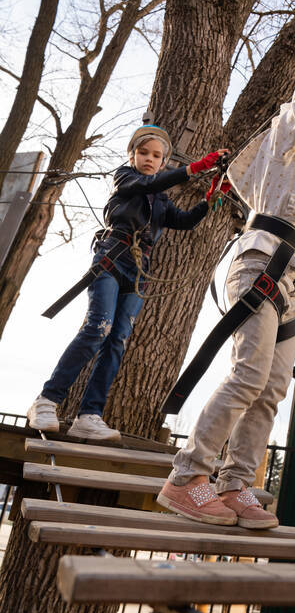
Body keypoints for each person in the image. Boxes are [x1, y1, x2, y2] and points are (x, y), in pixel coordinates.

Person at [157, 12, 295, 529]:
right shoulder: (286, 142)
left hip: (294, 280)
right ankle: (187, 477)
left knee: (273, 387)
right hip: (260, 263)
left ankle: (235, 484)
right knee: (248, 374)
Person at [27, 126, 228, 442]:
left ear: (163, 162)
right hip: (111, 258)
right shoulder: (125, 178)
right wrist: (195, 168)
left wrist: (211, 197)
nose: (150, 159)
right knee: (98, 328)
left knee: (118, 338)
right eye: (144, 153)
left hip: (138, 271)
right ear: (132, 156)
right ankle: (47, 399)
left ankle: (89, 414)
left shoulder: (160, 201)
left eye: (157, 156)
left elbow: (185, 221)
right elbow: (152, 182)